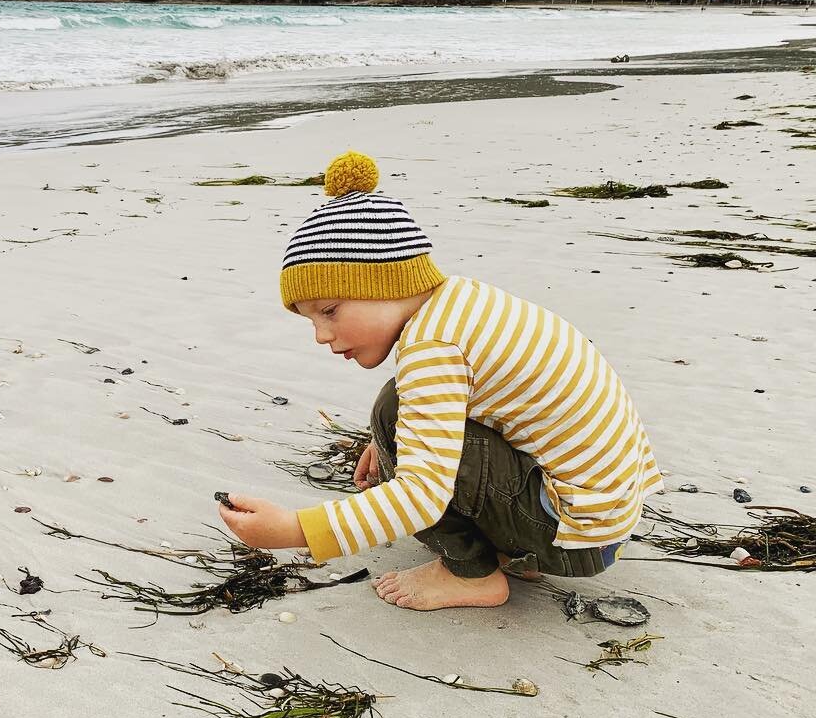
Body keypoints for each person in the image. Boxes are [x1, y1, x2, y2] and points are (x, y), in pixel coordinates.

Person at [217, 151, 662, 612]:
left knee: (392, 411)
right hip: (602, 518)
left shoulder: (434, 348)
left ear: (386, 281)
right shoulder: (462, 303)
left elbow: (420, 496)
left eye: (329, 310)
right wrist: (396, 437)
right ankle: (515, 549)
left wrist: (296, 529)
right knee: (396, 406)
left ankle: (471, 576)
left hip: (571, 535)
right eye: (310, 320)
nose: (321, 335)